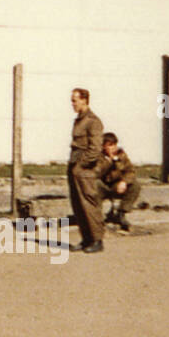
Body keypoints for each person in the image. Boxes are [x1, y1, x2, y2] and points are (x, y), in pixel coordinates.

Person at [66, 87, 106, 253]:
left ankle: (97, 240)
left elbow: (95, 148)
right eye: (72, 100)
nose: (72, 104)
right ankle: (86, 239)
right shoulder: (79, 120)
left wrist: (81, 165)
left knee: (89, 203)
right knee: (77, 205)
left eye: (75, 100)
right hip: (75, 164)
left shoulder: (93, 121)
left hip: (84, 168)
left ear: (84, 100)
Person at [97, 132, 140, 231]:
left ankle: (121, 213)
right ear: (103, 147)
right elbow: (97, 173)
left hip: (115, 186)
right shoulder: (98, 157)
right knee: (95, 184)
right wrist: (109, 161)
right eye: (110, 145)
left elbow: (131, 171)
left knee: (135, 185)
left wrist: (124, 181)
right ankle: (97, 217)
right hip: (102, 186)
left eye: (115, 144)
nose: (114, 148)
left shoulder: (122, 155)